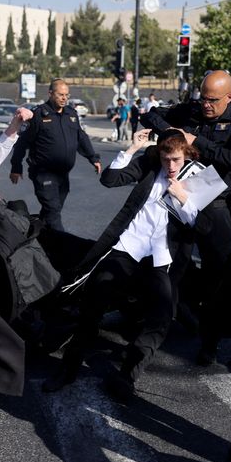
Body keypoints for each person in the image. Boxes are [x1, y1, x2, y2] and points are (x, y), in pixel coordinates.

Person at [42, 128, 199, 400]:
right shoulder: (150, 166)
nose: (170, 166)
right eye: (165, 159)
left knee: (161, 316)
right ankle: (67, 369)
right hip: (128, 247)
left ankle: (126, 375)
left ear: (187, 154)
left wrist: (184, 198)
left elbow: (205, 225)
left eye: (176, 159)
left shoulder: (198, 176)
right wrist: (131, 149)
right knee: (92, 302)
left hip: (162, 257)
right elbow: (110, 179)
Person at [142, 70, 231, 366]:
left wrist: (199, 143)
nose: (205, 104)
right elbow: (150, 116)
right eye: (203, 98)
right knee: (170, 268)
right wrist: (174, 134)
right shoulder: (189, 110)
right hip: (179, 201)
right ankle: (165, 326)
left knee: (221, 278)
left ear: (229, 97)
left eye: (213, 100)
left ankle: (210, 342)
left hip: (216, 208)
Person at [9, 78, 101, 232]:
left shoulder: (71, 114)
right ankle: (64, 248)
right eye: (60, 95)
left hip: (63, 174)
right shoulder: (38, 115)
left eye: (67, 95)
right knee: (53, 211)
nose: (64, 98)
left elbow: (81, 137)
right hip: (43, 174)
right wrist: (16, 167)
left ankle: (37, 238)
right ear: (50, 94)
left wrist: (93, 158)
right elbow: (22, 143)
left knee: (50, 213)